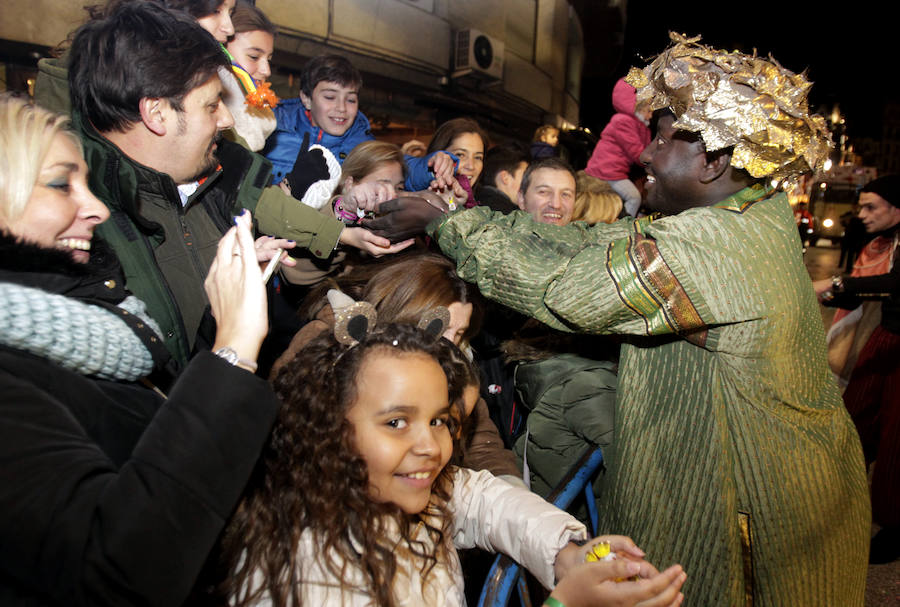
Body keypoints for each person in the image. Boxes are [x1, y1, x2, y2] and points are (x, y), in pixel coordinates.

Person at [368, 34, 871, 606]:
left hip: (763, 519)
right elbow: (584, 245)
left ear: (715, 160)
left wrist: (446, 227)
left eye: (661, 139)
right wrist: (454, 212)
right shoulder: (737, 217)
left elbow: (569, 286)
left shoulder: (717, 246)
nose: (645, 155)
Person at [0, 95, 279, 605]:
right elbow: (117, 571)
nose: (97, 207)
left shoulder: (92, 316)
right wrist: (232, 353)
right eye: (62, 184)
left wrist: (223, 313)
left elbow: (149, 425)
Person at [217, 322, 685, 606]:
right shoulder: (308, 572)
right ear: (326, 428)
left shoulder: (403, 490)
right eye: (397, 422)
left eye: (440, 420)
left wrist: (566, 554)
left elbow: (482, 498)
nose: (430, 446)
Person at [813, 173, 900, 564]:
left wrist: (834, 285)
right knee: (855, 416)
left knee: (894, 439)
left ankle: (892, 527)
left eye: (871, 207)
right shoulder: (881, 240)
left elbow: (894, 283)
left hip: (897, 344)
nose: (862, 214)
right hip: (886, 338)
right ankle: (841, 500)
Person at [263, 54, 455, 193]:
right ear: (306, 98)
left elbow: (399, 166)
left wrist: (431, 166)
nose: (341, 108)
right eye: (330, 97)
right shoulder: (269, 128)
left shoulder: (361, 144)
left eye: (351, 100)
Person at [584, 77, 651, 217]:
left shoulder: (638, 125)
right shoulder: (624, 121)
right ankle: (622, 228)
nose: (651, 115)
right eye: (648, 110)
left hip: (614, 170)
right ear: (638, 106)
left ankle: (625, 218)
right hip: (607, 170)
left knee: (626, 198)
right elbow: (638, 154)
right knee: (634, 197)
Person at [221, 1, 278, 152]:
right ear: (222, 49)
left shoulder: (263, 122)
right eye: (254, 57)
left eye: (269, 60)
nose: (266, 71)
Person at [426, 117, 490, 202]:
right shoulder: (419, 203)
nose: (471, 166)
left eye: (478, 157)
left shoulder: (484, 206)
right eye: (460, 155)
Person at [514, 157, 577, 226]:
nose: (556, 205)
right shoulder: (503, 234)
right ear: (521, 199)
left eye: (565, 194)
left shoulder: (584, 235)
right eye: (543, 192)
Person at [476, 142, 531, 214]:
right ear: (505, 178)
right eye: (525, 177)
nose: (528, 185)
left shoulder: (474, 204)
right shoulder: (507, 218)